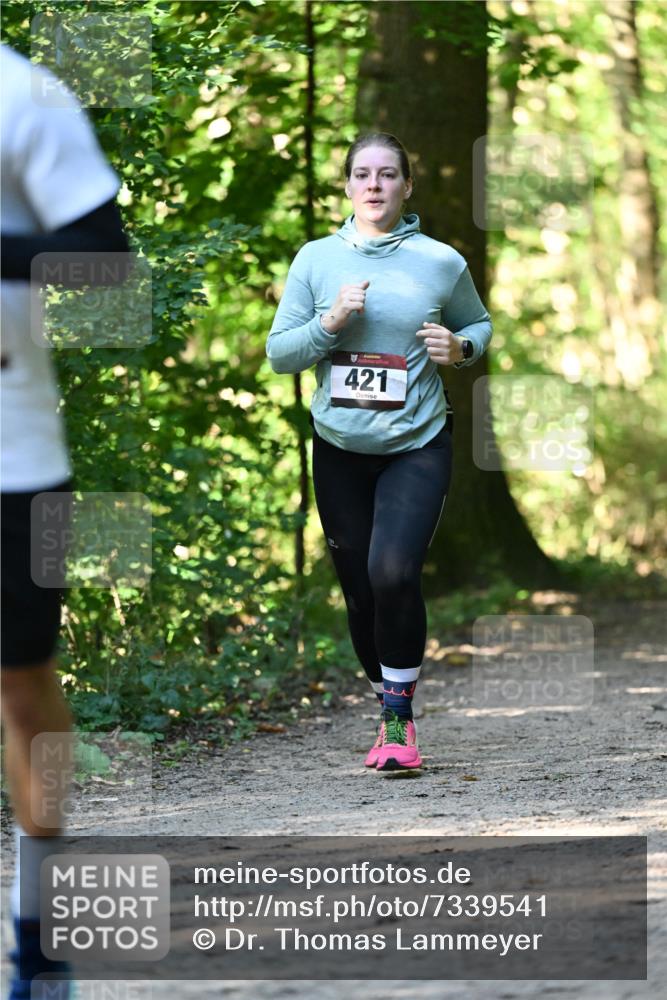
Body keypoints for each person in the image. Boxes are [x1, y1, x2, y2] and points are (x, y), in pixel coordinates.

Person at [267, 132, 492, 772]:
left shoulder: (440, 262)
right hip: (339, 448)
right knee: (361, 593)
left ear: (406, 186)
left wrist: (463, 347)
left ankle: (398, 723)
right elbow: (281, 353)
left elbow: (478, 325)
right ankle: (387, 700)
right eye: (362, 174)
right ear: (347, 186)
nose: (374, 185)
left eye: (388, 174)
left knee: (393, 571)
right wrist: (329, 324)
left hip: (417, 442)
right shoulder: (315, 260)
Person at [1, 43, 128, 998]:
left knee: (19, 683)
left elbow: (103, 259)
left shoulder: (23, 95)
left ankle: (39, 943)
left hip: (13, 456)